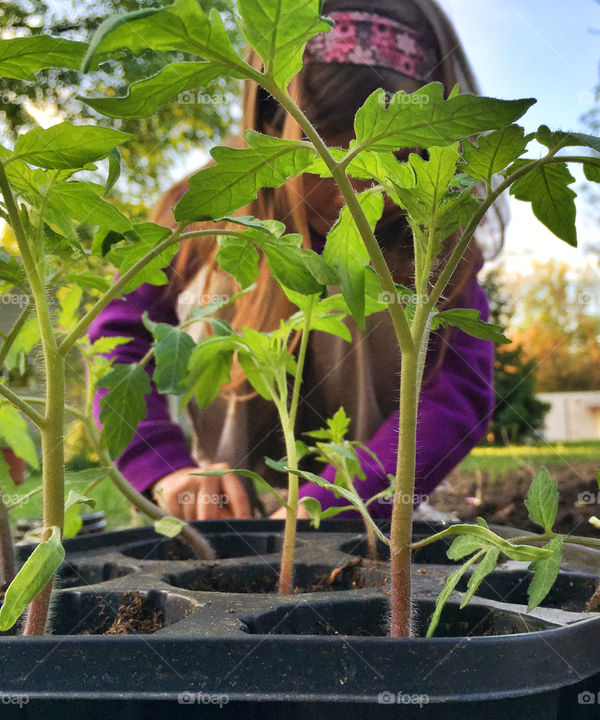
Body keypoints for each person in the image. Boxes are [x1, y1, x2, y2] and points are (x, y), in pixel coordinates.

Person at [89, 0, 505, 522]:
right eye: (321, 158)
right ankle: (223, 486)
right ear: (270, 123)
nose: (350, 193)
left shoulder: (440, 249)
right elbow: (116, 341)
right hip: (211, 513)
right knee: (222, 279)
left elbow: (459, 392)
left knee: (382, 292)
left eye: (388, 160)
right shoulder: (199, 212)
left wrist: (340, 495)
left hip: (364, 510)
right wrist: (163, 465)